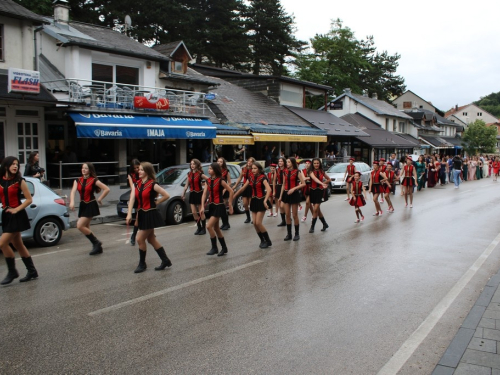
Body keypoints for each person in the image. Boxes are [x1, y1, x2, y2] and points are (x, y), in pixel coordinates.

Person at [126, 162, 172, 272]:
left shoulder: (152, 184)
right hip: (141, 213)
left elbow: (166, 195)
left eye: (142, 170)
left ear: (147, 171)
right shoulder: (136, 184)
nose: (139, 171)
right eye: (139, 170)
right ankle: (165, 260)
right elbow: (132, 199)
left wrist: (157, 202)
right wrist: (129, 214)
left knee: (139, 238)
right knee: (151, 239)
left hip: (150, 213)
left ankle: (142, 264)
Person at [0, 156, 39, 285]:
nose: (15, 166)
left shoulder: (19, 181)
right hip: (6, 215)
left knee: (2, 243)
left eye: (17, 164)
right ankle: (32, 271)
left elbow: (29, 199)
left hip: (16, 215)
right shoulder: (1, 180)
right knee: (18, 244)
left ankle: (12, 271)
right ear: (6, 166)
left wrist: (16, 209)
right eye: (13, 164)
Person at [69, 162, 110, 255]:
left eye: (86, 168)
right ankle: (97, 247)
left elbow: (107, 189)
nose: (83, 170)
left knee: (79, 225)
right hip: (83, 205)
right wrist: (71, 201)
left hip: (90, 204)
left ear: (90, 170)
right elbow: (73, 192)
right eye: (82, 168)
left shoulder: (93, 180)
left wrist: (100, 198)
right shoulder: (77, 180)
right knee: (86, 228)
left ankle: (97, 243)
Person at [234, 162, 272, 248]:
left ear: (259, 169)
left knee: (258, 222)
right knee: (254, 223)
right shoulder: (250, 177)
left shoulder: (263, 178)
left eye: (255, 168)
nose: (253, 170)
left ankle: (268, 241)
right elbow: (242, 188)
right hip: (254, 201)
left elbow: (269, 190)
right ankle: (262, 240)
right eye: (252, 168)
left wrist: (265, 201)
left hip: (261, 201)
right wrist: (234, 196)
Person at [201, 162, 234, 256]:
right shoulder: (208, 181)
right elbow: (204, 193)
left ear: (215, 170)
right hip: (211, 205)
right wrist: (202, 206)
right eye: (208, 168)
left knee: (208, 226)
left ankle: (214, 248)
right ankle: (224, 248)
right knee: (216, 228)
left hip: (219, 205)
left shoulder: (220, 180)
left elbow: (231, 191)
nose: (208, 170)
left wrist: (230, 204)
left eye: (210, 169)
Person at [279, 157, 306, 241]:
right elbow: (283, 184)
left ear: (293, 163)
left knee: (294, 215)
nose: (287, 163)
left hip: (294, 194)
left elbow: (303, 183)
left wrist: (294, 189)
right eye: (286, 162)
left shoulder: (297, 172)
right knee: (287, 214)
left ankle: (297, 234)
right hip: (286, 194)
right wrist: (280, 196)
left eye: (289, 162)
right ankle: (289, 234)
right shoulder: (285, 172)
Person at [182, 159, 208, 235]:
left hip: (199, 193)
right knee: (193, 212)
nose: (192, 165)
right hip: (192, 193)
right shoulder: (189, 174)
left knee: (201, 212)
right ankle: (199, 227)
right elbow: (186, 185)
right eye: (191, 164)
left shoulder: (200, 174)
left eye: (194, 164)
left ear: (197, 165)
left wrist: (205, 185)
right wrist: (183, 193)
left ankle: (203, 229)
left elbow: (208, 180)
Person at [308, 158, 331, 233]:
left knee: (315, 209)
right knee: (317, 210)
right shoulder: (311, 171)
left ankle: (312, 227)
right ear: (313, 164)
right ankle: (325, 224)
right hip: (312, 191)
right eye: (315, 163)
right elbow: (314, 179)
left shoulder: (322, 171)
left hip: (320, 191)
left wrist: (325, 183)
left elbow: (329, 179)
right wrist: (322, 183)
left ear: (320, 164)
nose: (316, 165)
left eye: (317, 163)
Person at [232, 157, 255, 224]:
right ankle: (248, 217)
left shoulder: (253, 169)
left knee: (251, 204)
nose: (249, 162)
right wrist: (235, 185)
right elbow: (240, 177)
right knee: (245, 203)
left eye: (251, 161)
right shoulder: (244, 169)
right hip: (244, 186)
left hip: (251, 186)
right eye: (248, 161)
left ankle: (253, 218)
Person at [128, 159, 141, 246]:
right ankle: (133, 235)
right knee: (138, 217)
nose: (136, 169)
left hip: (143, 194)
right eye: (134, 168)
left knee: (140, 217)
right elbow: (132, 186)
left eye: (137, 167)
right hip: (136, 195)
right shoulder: (130, 175)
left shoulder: (142, 172)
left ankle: (149, 232)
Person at [218, 157, 232, 231]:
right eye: (218, 161)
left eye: (221, 162)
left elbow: (229, 182)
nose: (219, 163)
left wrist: (225, 189)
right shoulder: (216, 171)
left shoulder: (226, 171)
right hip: (217, 190)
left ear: (223, 163)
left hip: (224, 190)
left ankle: (226, 223)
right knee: (220, 208)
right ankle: (223, 223)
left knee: (223, 208)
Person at [274, 157, 287, 226]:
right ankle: (283, 221)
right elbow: (274, 180)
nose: (280, 162)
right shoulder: (277, 170)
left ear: (284, 162)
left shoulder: (286, 170)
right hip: (279, 186)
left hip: (285, 187)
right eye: (279, 161)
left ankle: (287, 217)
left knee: (283, 205)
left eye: (281, 161)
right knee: (280, 205)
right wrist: (273, 190)